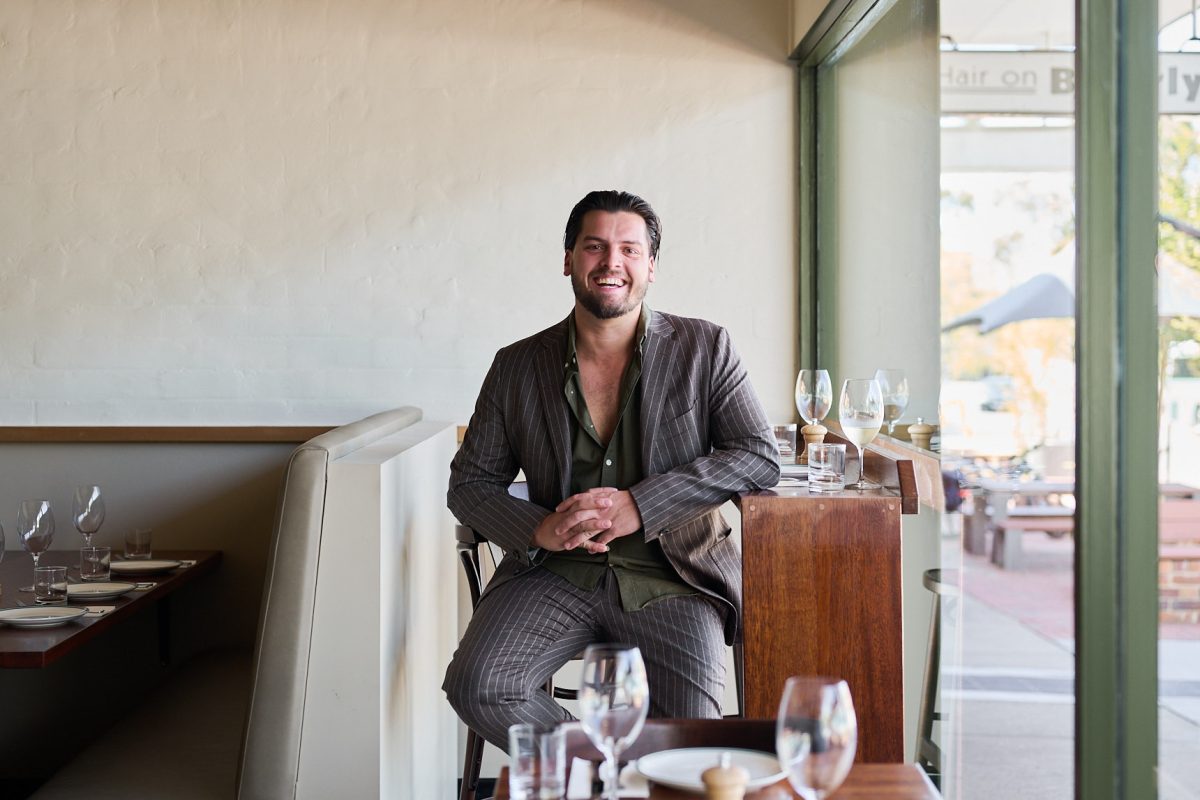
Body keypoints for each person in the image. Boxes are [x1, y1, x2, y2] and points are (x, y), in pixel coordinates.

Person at [443, 190, 779, 749]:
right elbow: (470, 484)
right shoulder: (516, 366)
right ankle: (608, 778)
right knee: (480, 686)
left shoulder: (706, 347)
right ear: (569, 259)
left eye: (628, 249)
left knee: (693, 739)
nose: (611, 263)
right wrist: (537, 529)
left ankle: (621, 773)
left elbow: (757, 455)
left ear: (651, 266)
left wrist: (641, 505)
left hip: (677, 576)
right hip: (554, 571)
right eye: (594, 247)